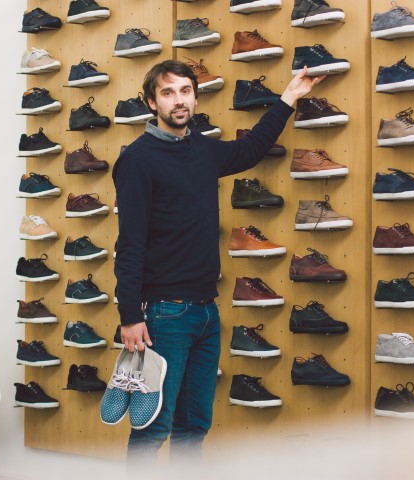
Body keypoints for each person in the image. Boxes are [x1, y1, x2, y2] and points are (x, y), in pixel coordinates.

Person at [112, 60, 324, 462]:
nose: (179, 100)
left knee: (193, 427)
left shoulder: (203, 149)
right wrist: (129, 316)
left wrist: (290, 96)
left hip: (206, 311)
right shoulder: (137, 160)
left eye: (185, 91)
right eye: (168, 92)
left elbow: (251, 149)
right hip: (163, 314)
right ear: (151, 103)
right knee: (153, 427)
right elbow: (130, 244)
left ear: (195, 97)